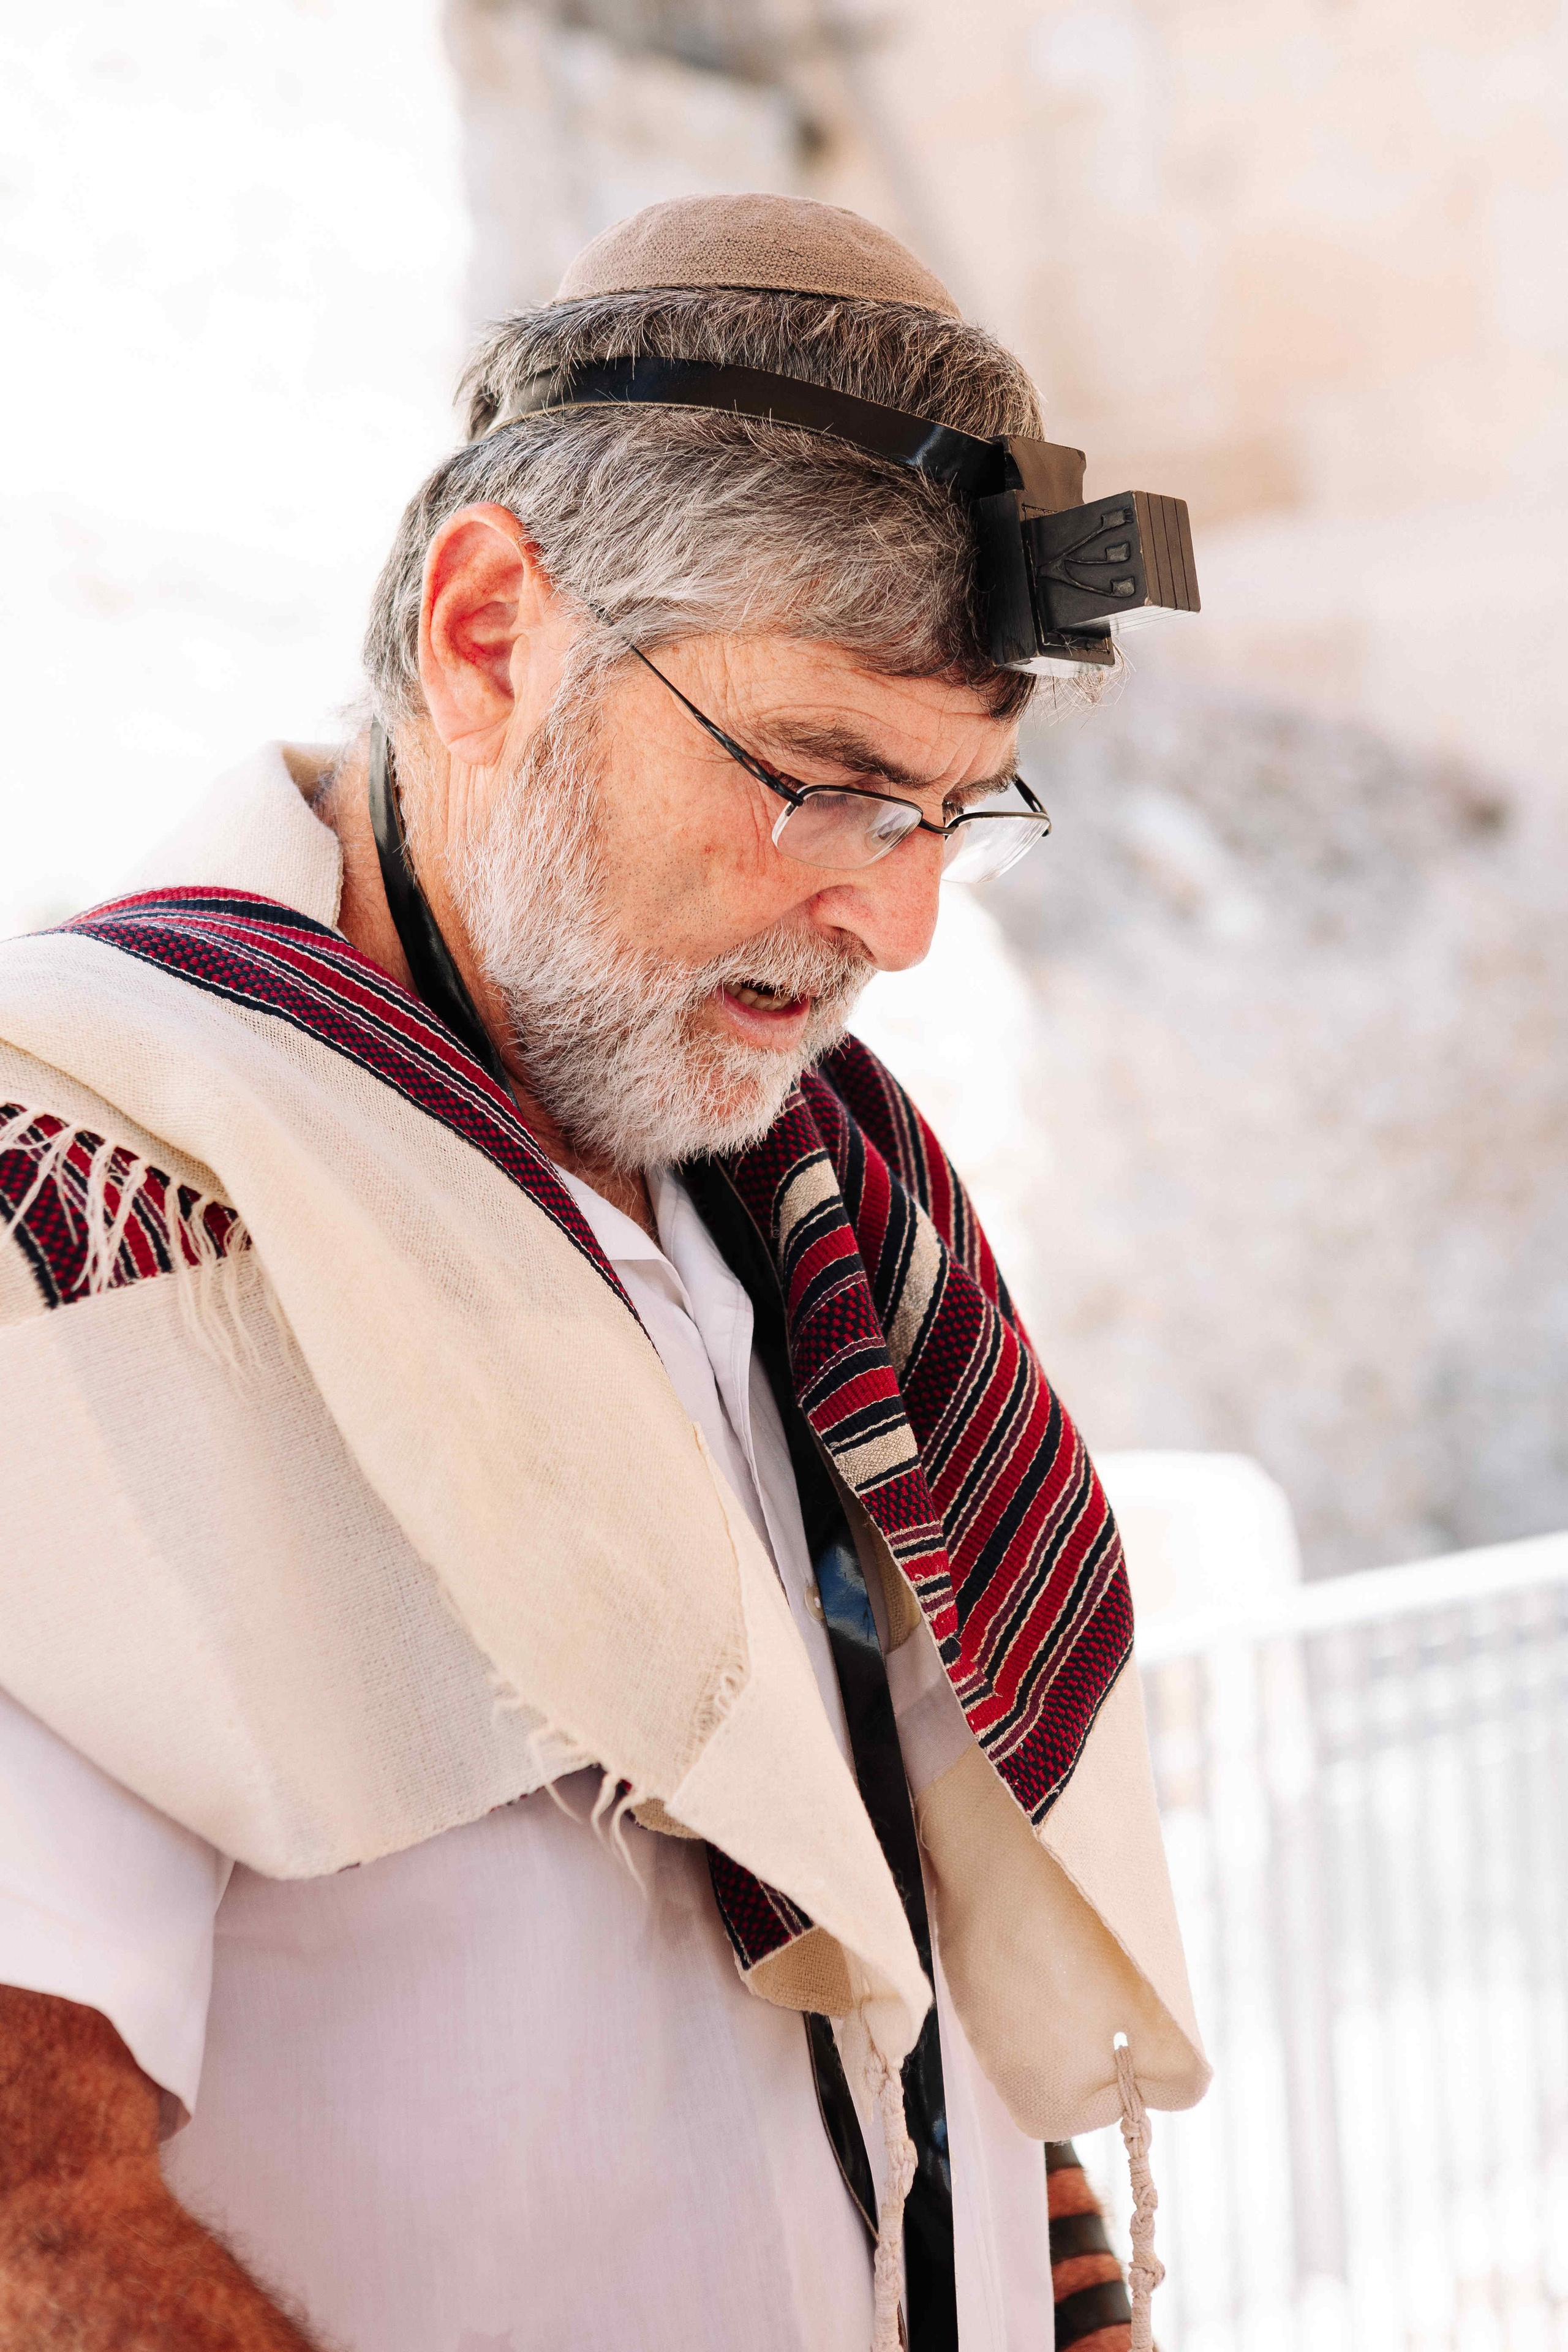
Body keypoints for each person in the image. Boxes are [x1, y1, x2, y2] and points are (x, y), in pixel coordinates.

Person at [0, 194, 1207, 2352]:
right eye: (827, 784)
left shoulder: (827, 1226)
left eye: (954, 812)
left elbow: (896, 1915)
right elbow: (30, 2227)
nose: (897, 923)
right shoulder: (74, 1221)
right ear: (488, 635)